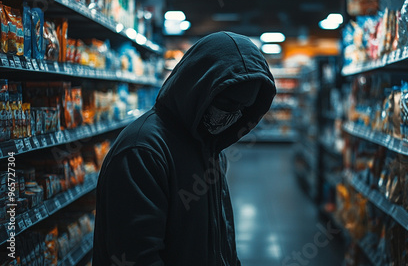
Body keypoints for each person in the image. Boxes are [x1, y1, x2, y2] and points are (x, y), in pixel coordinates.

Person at [92, 31, 276, 265]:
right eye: (227, 103)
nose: (232, 116)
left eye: (243, 109)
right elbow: (138, 255)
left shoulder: (210, 145)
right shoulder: (141, 151)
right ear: (198, 88)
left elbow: (222, 237)